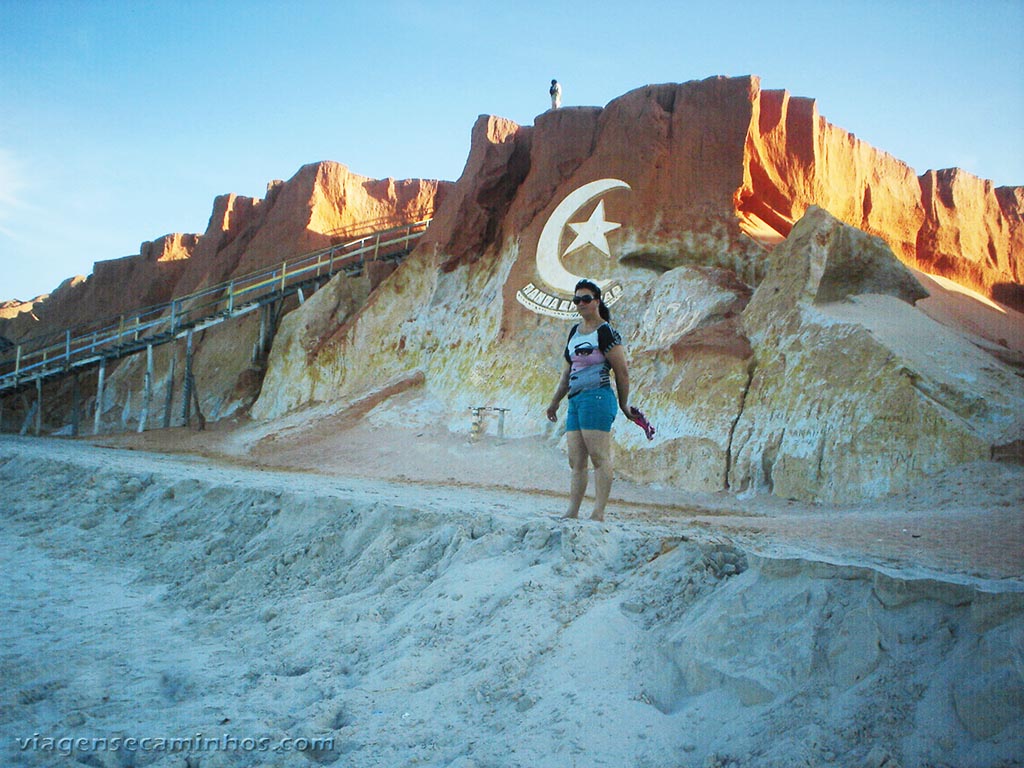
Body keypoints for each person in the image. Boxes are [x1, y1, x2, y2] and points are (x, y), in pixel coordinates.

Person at [546, 279, 636, 521]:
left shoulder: (605, 331)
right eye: (577, 300)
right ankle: (572, 511)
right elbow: (567, 372)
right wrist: (555, 402)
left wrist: (624, 405)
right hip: (576, 399)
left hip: (597, 396)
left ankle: (598, 512)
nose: (581, 303)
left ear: (597, 301)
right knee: (575, 459)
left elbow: (622, 370)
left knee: (599, 456)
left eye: (586, 299)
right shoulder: (575, 332)